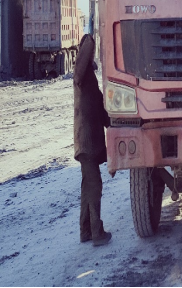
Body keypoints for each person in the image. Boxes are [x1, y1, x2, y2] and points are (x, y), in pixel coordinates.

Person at [73, 34, 112, 246]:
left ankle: (85, 231)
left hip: (90, 143)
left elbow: (99, 106)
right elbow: (86, 47)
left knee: (87, 187)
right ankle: (97, 233)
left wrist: (112, 123)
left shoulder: (90, 78)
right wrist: (90, 38)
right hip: (86, 143)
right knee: (94, 186)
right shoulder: (81, 75)